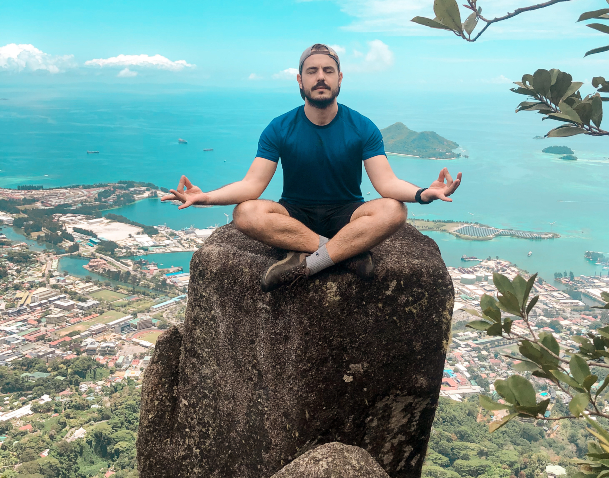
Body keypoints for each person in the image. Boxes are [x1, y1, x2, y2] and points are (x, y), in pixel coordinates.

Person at [162, 43, 462, 292]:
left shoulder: (362, 127)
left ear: (340, 78)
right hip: (295, 213)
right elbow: (252, 186)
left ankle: (310, 262)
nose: (321, 77)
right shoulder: (279, 128)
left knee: (394, 210)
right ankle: (344, 254)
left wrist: (424, 193)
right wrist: (205, 198)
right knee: (245, 212)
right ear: (300, 80)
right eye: (312, 71)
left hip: (348, 212)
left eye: (328, 71)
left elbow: (387, 184)